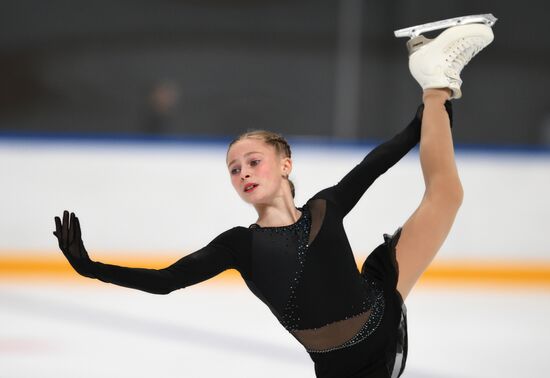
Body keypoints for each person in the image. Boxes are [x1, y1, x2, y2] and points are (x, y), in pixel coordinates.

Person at [54, 23, 494, 378]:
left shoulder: (326, 207)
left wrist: (430, 115)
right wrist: (90, 267)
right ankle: (432, 80)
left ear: (285, 165)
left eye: (253, 161)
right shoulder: (239, 246)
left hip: (382, 300)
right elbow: (165, 280)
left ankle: (435, 79)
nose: (243, 172)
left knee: (447, 196)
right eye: (234, 168)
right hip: (345, 370)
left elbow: (379, 160)